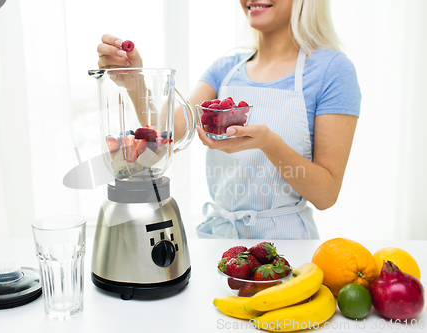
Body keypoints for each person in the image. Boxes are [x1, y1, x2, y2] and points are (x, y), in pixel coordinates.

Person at [96, 0, 361, 239]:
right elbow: (168, 133)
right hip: (221, 241)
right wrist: (135, 83)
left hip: (287, 245)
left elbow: (326, 195)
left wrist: (267, 143)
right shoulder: (225, 68)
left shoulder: (333, 70)